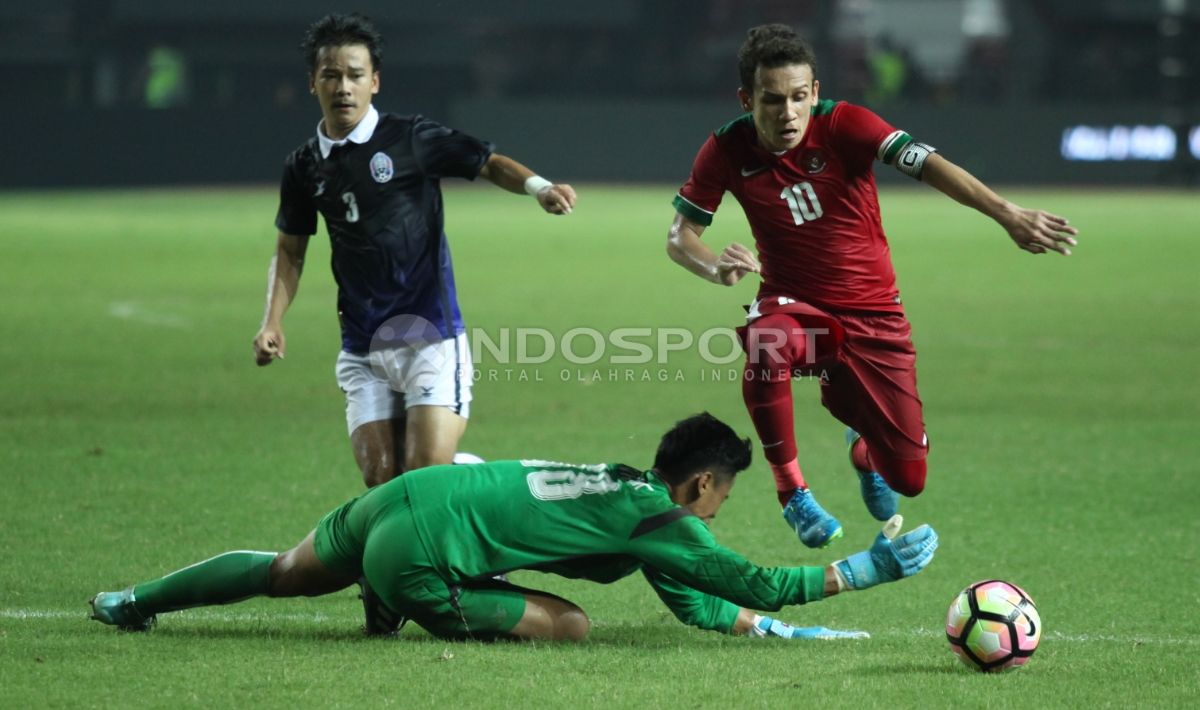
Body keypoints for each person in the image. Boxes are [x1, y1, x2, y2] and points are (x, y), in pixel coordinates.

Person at [666, 25, 1078, 549]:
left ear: (815, 92)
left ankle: (864, 450)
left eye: (799, 97)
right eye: (772, 100)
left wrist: (1006, 214)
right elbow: (681, 237)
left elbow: (930, 166)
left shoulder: (846, 125)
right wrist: (714, 268)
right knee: (767, 343)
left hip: (875, 316)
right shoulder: (727, 148)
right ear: (748, 99)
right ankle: (792, 492)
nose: (788, 113)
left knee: (909, 478)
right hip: (795, 306)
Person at [89, 413, 938, 641]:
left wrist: (771, 632)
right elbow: (751, 581)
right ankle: (397, 599)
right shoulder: (666, 518)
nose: (719, 513)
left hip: (407, 497)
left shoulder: (621, 486)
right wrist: (865, 570)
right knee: (570, 627)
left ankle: (135, 600)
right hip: (419, 553)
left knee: (280, 569)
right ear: (703, 483)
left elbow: (700, 599)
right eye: (722, 497)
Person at [252, 13, 577, 488]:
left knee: (424, 477)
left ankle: (473, 493)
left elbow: (487, 164)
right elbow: (291, 251)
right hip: (363, 341)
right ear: (313, 82)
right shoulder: (303, 166)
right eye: (332, 75)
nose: (344, 87)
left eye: (355, 75)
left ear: (375, 82)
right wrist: (272, 321)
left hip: (431, 335)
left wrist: (539, 187)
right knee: (381, 480)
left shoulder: (410, 138)